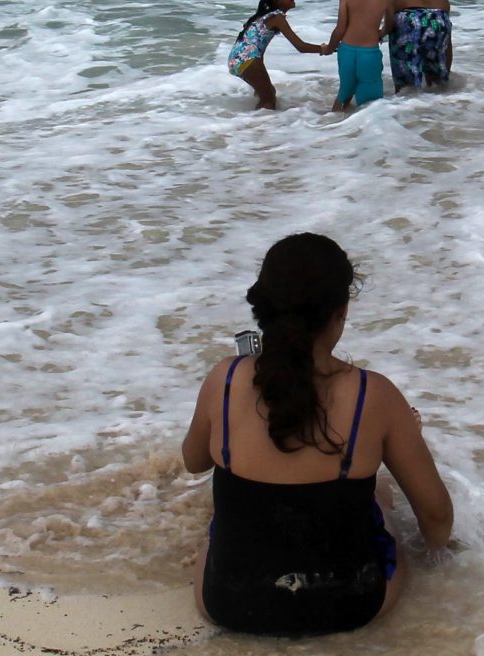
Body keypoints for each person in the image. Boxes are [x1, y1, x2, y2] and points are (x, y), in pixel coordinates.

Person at [181, 233, 454, 635]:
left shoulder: (226, 379)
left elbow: (193, 461)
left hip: (230, 603)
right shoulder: (373, 395)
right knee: (381, 497)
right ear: (340, 313)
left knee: (224, 519)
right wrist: (436, 556)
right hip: (351, 606)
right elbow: (436, 514)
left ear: (264, 308)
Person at [226, 0, 330, 110]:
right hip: (247, 59)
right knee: (269, 101)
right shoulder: (276, 17)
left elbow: (254, 46)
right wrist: (323, 49)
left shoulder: (264, 16)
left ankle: (255, 119)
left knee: (268, 93)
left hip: (237, 60)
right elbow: (300, 46)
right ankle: (258, 122)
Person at [326, 0, 395, 113]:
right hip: (369, 54)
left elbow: (340, 29)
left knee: (344, 94)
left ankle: (332, 123)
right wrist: (380, 34)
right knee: (371, 103)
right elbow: (389, 26)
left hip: (347, 52)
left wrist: (330, 47)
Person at [381, 0, 454, 92]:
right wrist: (445, 69)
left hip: (409, 20)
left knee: (406, 89)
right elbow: (447, 33)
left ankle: (404, 104)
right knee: (438, 85)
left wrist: (378, 30)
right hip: (439, 20)